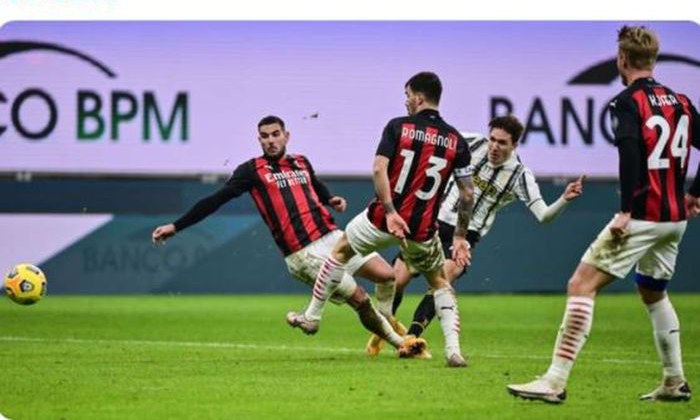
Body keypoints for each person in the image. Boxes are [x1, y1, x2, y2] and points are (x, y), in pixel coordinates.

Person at [507, 25, 700, 403]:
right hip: (674, 219)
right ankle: (674, 381)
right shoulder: (681, 101)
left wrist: (626, 210)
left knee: (581, 286)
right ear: (654, 60)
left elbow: (629, 153)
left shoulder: (626, 102)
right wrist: (694, 194)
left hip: (643, 215)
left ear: (622, 60)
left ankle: (554, 381)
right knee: (652, 291)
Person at [152, 115, 422, 357]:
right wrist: (176, 226)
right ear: (259, 140)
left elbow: (314, 185)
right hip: (303, 252)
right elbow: (215, 200)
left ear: (286, 135)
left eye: (275, 134)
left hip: (333, 237)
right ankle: (400, 342)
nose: (271, 141)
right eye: (265, 136)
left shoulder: (301, 161)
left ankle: (384, 320)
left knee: (388, 276)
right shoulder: (251, 170)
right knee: (361, 300)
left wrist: (331, 199)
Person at [286, 72, 476, 367]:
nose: (406, 101)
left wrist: (390, 211)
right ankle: (454, 351)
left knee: (340, 251)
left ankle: (312, 316)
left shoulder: (398, 126)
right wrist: (461, 237)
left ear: (419, 97)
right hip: (423, 228)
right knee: (439, 282)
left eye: (408, 95)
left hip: (383, 218)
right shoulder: (456, 140)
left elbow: (378, 169)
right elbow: (467, 194)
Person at [366, 115, 585, 358]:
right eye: (492, 139)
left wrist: (564, 199)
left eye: (502, 143)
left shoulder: (519, 175)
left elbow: (543, 215)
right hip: (432, 222)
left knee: (442, 281)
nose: (494, 146)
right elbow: (438, 146)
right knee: (397, 280)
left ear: (515, 146)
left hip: (465, 236)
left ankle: (413, 338)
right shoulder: (469, 143)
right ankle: (385, 332)